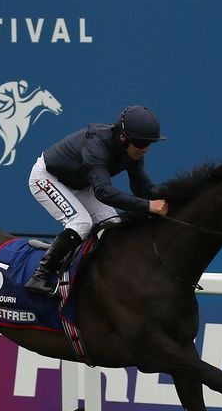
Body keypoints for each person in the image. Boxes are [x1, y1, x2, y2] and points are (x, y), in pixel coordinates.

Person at [24, 105, 169, 295]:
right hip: (47, 177)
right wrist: (148, 205)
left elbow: (141, 187)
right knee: (81, 223)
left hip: (79, 184)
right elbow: (104, 192)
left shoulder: (133, 151)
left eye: (149, 143)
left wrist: (169, 198)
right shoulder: (96, 147)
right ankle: (39, 275)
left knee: (112, 226)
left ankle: (85, 272)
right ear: (123, 137)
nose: (146, 149)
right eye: (142, 143)